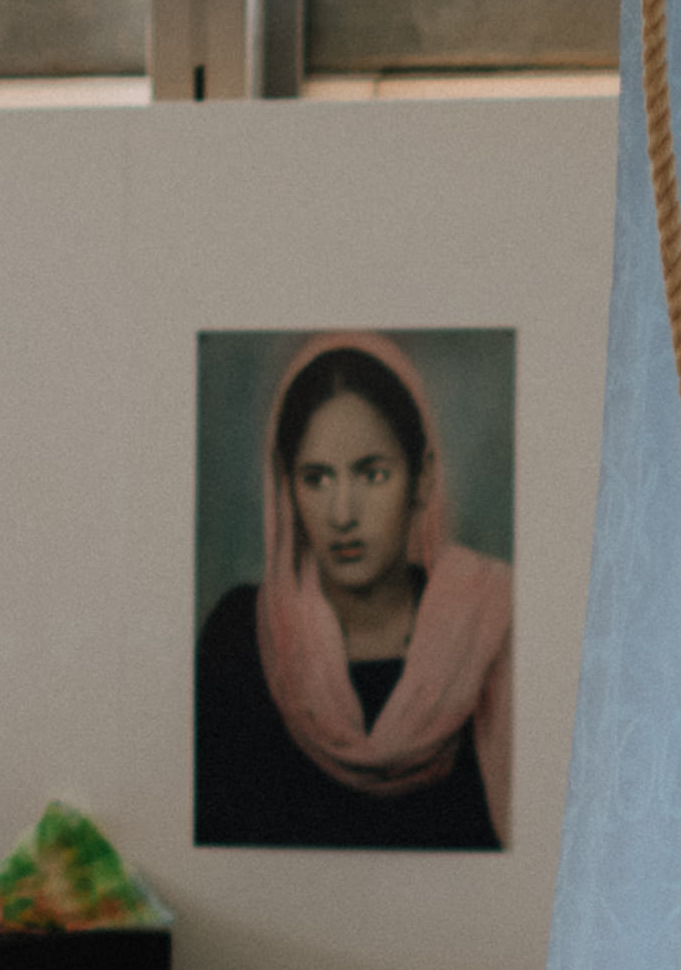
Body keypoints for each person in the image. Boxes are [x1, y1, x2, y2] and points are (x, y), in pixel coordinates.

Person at [198, 330, 511, 850]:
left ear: (424, 477)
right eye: (317, 479)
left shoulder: (491, 624)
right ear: (287, 490)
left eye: (372, 474)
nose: (343, 514)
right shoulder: (239, 637)